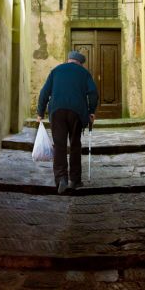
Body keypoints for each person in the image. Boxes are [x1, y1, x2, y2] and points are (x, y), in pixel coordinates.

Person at [37, 50, 98, 194]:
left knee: (59, 145)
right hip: (77, 112)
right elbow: (93, 93)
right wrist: (91, 111)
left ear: (68, 60)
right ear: (80, 63)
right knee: (75, 145)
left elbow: (44, 92)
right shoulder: (84, 73)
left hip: (57, 111)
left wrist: (40, 113)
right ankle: (75, 180)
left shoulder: (56, 71)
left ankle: (61, 179)